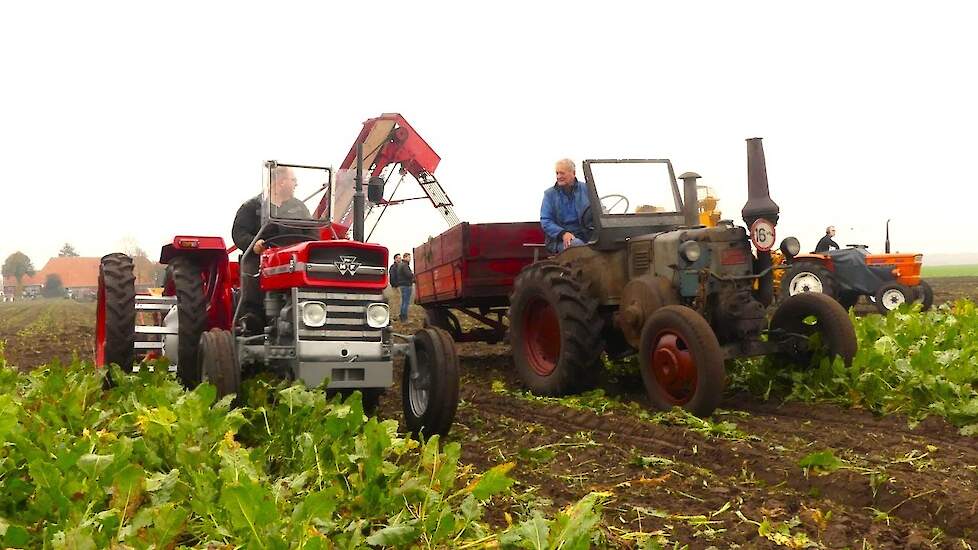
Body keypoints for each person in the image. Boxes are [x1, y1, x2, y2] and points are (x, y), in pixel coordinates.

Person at [231, 166, 313, 332]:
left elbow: (313, 233)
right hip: (263, 257)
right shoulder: (251, 207)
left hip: (294, 259)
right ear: (281, 182)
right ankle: (251, 316)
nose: (296, 184)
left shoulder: (299, 208)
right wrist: (253, 244)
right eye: (293, 180)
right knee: (251, 268)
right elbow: (238, 232)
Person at [540, 158, 592, 253]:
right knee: (577, 245)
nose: (559, 176)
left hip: (587, 236)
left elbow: (599, 210)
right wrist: (563, 233)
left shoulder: (587, 189)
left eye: (562, 173)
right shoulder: (549, 195)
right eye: (557, 173)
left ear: (573, 173)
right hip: (560, 241)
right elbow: (546, 221)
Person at [397, 252, 415, 322]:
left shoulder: (401, 265)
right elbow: (408, 275)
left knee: (404, 302)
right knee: (406, 302)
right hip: (406, 285)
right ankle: (404, 318)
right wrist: (412, 274)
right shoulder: (405, 265)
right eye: (409, 257)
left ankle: (402, 316)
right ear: (405, 257)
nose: (410, 259)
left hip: (402, 285)